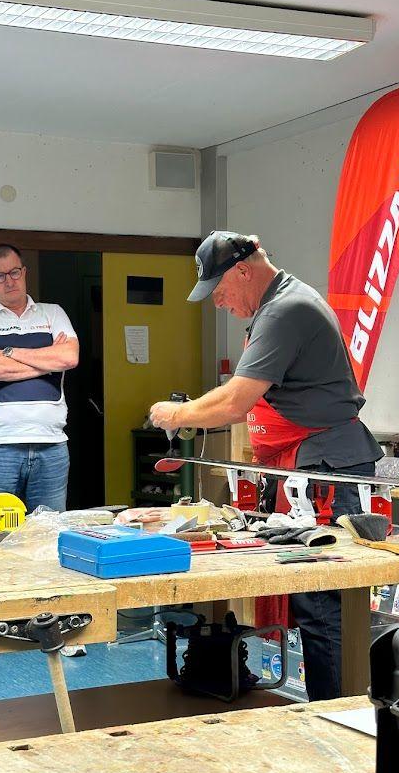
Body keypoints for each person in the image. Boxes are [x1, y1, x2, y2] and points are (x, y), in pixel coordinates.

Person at [149, 231, 383, 700]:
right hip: (310, 465)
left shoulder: (284, 310)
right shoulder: (277, 306)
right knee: (311, 597)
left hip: (327, 468)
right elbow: (249, 395)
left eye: (219, 291)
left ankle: (334, 714)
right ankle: (329, 706)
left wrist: (177, 413)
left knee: (322, 600)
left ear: (242, 271)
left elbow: (236, 402)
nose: (218, 302)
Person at [0, 244, 79, 515]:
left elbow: (69, 358)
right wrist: (47, 363)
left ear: (24, 272)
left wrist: (10, 352)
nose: (9, 281)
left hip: (52, 445)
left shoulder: (53, 313)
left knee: (48, 533)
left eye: (14, 272)